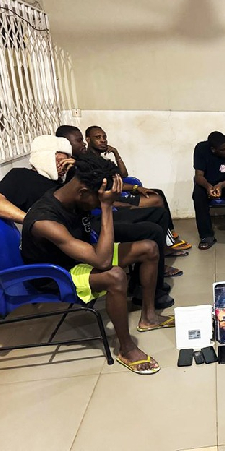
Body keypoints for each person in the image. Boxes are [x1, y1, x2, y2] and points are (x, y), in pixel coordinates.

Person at [21, 153, 174, 375]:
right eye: (98, 198)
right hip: (55, 274)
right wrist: (105, 207)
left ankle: (149, 317)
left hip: (78, 256)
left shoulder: (75, 195)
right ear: (83, 192)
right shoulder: (44, 220)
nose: (99, 203)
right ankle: (126, 349)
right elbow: (102, 261)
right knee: (115, 276)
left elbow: (97, 255)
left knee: (149, 248)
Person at [0, 134, 176, 309]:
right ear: (44, 156)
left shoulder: (66, 179)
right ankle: (146, 290)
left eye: (66, 159)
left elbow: (96, 181)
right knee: (148, 233)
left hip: (83, 225)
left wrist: (78, 165)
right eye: (59, 159)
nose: (63, 165)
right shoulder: (20, 177)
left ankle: (147, 287)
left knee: (155, 219)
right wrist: (33, 220)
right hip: (63, 242)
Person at [82, 125, 191, 251]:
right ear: (88, 139)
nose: (103, 140)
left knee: (157, 193)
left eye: (104, 137)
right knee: (156, 200)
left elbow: (123, 175)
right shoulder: (89, 162)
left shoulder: (101, 159)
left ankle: (169, 233)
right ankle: (167, 242)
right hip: (111, 200)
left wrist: (116, 153)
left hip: (116, 194)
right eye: (98, 137)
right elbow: (107, 187)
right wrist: (135, 188)